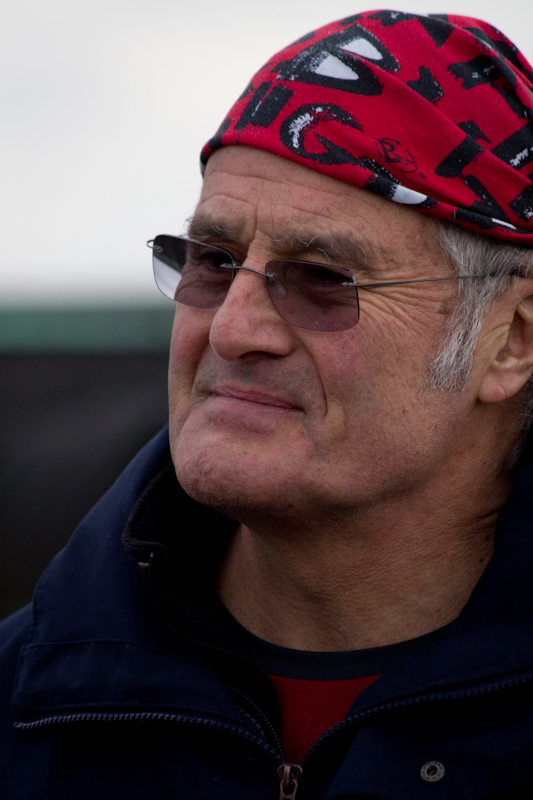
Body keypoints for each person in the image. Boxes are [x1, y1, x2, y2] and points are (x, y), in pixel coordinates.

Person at [2, 9, 533, 799]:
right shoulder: (26, 710)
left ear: (510, 341)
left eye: (322, 279)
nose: (233, 326)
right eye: (213, 262)